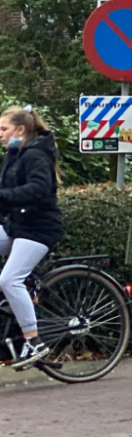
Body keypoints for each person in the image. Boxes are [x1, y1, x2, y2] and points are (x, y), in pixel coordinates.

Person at [0, 106, 64, 369]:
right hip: (18, 224)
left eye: (4, 129)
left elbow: (38, 189)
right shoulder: (14, 155)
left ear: (20, 130)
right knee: (11, 281)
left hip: (38, 227)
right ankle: (27, 291)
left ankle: (33, 340)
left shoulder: (36, 155)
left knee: (8, 279)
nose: (0, 134)